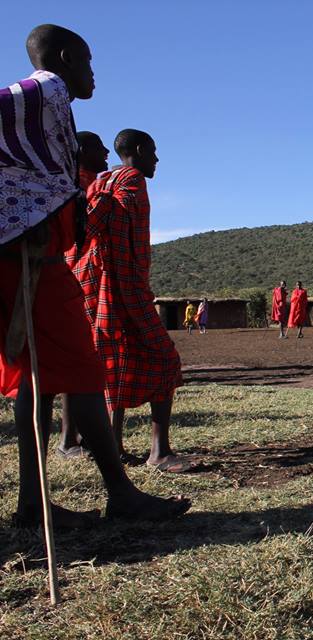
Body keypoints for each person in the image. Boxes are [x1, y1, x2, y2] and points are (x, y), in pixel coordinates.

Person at [0, 24, 189, 525]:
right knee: (83, 372)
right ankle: (120, 494)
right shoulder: (45, 90)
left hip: (34, 258)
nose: (93, 74)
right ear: (65, 58)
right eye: (88, 61)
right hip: (29, 259)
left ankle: (32, 503)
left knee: (38, 382)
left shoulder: (54, 112)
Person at [77, 128, 191, 472]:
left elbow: (90, 225)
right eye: (153, 151)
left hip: (103, 289)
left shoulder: (103, 182)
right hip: (126, 286)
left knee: (114, 362)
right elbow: (117, 222)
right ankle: (159, 452)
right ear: (139, 150)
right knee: (166, 360)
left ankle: (113, 446)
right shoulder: (131, 179)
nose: (156, 159)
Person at [57, 130, 110, 459]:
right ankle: (68, 440)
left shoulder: (90, 183)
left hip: (83, 275)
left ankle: (79, 437)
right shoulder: (74, 184)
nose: (106, 152)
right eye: (99, 147)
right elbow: (81, 233)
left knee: (85, 360)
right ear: (82, 150)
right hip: (75, 275)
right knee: (76, 361)